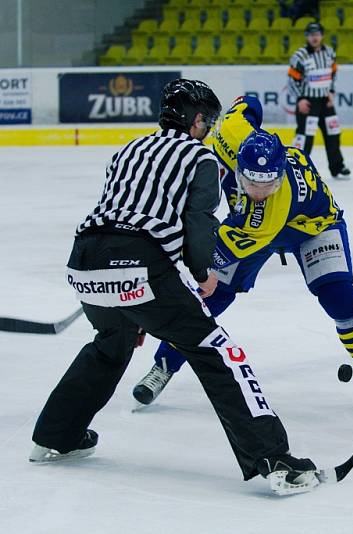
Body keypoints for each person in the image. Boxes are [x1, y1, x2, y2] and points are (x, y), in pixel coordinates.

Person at [29, 79, 319, 496]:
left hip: (85, 263)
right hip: (140, 264)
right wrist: (203, 274)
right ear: (197, 119)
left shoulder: (128, 148)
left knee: (112, 343)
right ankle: (273, 457)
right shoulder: (200, 158)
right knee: (216, 350)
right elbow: (196, 225)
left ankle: (55, 434)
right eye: (209, 121)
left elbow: (120, 210)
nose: (210, 129)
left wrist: (134, 301)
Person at [132, 95, 353, 407]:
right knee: (212, 296)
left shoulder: (264, 215)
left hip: (313, 226)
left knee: (339, 297)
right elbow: (249, 104)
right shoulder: (232, 132)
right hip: (251, 224)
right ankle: (163, 365)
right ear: (239, 166)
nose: (260, 194)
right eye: (252, 184)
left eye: (269, 186)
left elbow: (210, 254)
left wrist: (169, 262)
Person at [287, 22, 350, 180]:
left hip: (325, 101)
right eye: (311, 34)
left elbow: (333, 73)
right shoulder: (299, 56)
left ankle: (337, 166)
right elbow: (292, 80)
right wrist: (300, 99)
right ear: (306, 36)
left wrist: (332, 92)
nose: (314, 37)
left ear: (322, 35)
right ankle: (297, 165)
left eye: (317, 34)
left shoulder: (329, 53)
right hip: (308, 103)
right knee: (305, 135)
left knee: (333, 134)